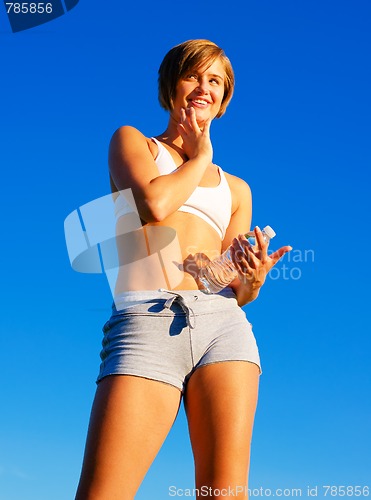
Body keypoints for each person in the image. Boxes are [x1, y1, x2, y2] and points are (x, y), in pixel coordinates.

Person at [75, 39, 291, 499]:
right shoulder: (134, 142)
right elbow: (154, 204)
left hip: (223, 328)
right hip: (147, 318)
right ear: (172, 85)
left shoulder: (237, 190)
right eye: (193, 75)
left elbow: (222, 280)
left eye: (215, 81)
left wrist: (250, 281)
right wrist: (201, 157)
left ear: (224, 97)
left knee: (224, 495)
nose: (203, 88)